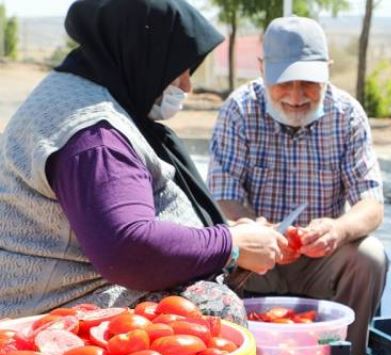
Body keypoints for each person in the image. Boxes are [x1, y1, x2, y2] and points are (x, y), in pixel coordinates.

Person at [0, 0, 286, 325]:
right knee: (212, 312)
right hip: (53, 307)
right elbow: (130, 249)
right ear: (144, 54)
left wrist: (224, 235)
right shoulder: (95, 138)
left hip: (69, 286)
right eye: (179, 70)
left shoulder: (80, 88)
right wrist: (229, 245)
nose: (187, 86)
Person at [208, 16, 387, 355]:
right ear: (262, 71)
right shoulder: (240, 110)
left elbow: (371, 202)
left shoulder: (347, 114)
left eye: (309, 82)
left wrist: (338, 230)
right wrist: (252, 228)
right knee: (214, 247)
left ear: (327, 72)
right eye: (283, 82)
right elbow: (222, 194)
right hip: (258, 259)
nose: (295, 95)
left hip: (320, 258)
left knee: (369, 257)